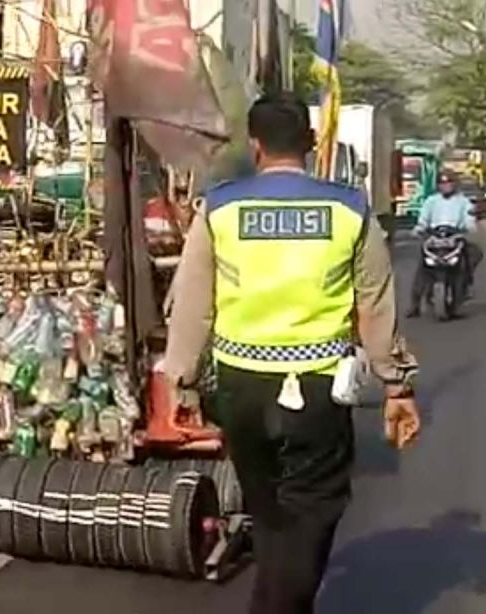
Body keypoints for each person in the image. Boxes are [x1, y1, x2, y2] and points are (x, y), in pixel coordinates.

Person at [162, 94, 421, 614]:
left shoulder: (219, 208)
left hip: (240, 388)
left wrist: (180, 381)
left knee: (268, 509)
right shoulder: (349, 209)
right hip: (319, 388)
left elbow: (193, 305)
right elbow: (374, 305)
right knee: (315, 508)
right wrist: (398, 385)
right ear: (310, 142)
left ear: (255, 147)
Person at [406, 170, 482, 317]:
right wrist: (419, 229)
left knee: (474, 254)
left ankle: (464, 288)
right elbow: (423, 220)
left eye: (449, 183)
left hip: (455, 239)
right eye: (442, 183)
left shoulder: (463, 202)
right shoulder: (431, 201)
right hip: (434, 240)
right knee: (422, 268)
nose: (446, 186)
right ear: (438, 185)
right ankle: (415, 305)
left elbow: (469, 221)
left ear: (454, 184)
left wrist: (469, 228)